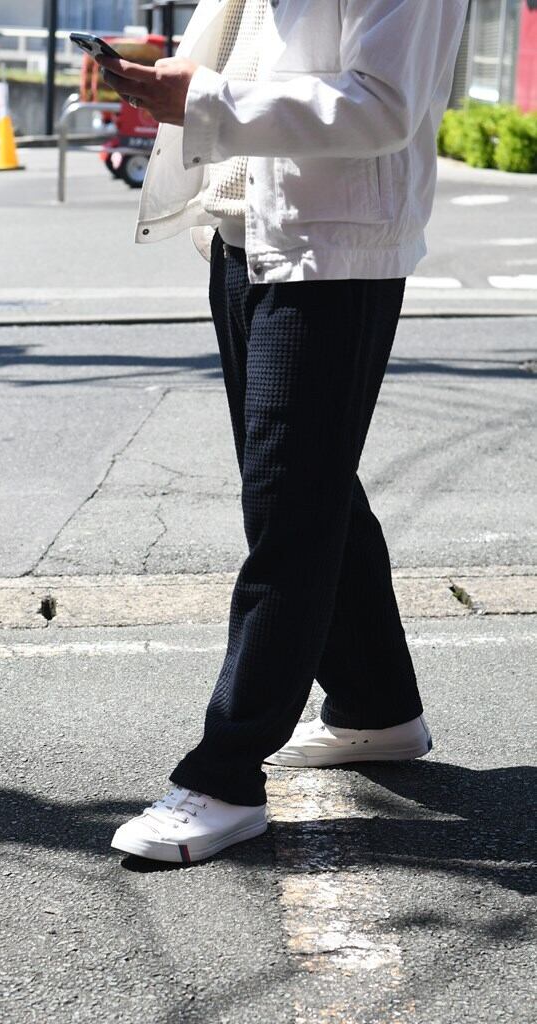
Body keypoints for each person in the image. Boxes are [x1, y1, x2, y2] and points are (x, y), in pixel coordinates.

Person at [96, 0, 469, 865]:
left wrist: (202, 100)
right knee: (309, 484)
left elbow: (383, 103)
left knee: (290, 507)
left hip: (334, 251)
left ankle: (225, 774)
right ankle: (377, 707)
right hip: (246, 234)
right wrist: (168, 78)